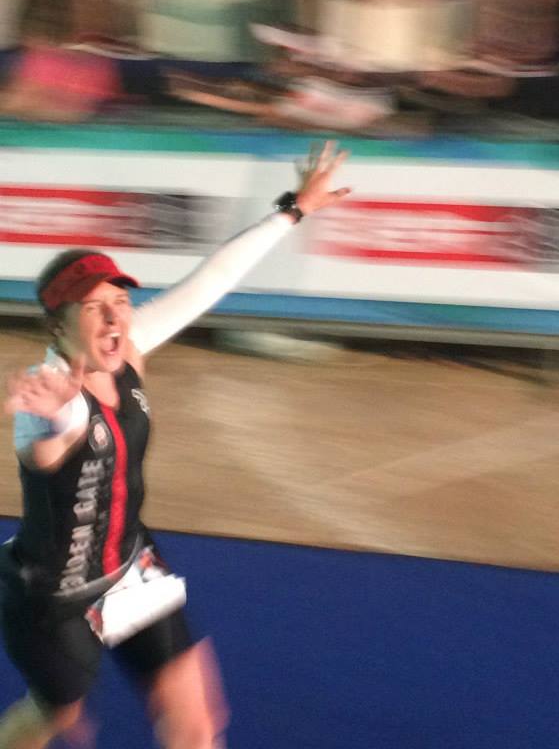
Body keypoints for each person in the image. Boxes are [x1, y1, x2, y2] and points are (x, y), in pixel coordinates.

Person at [0, 141, 350, 749]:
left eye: (120, 301)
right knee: (54, 718)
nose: (115, 318)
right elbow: (46, 452)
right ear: (58, 324)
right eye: (94, 307)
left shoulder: (129, 352)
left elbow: (208, 283)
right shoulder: (47, 397)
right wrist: (55, 420)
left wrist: (292, 211)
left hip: (130, 566)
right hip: (53, 601)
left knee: (197, 724)